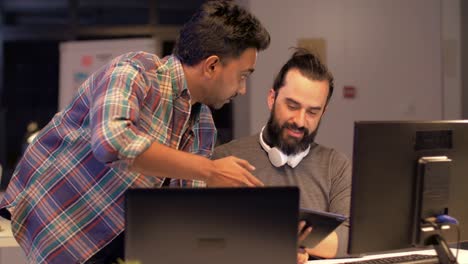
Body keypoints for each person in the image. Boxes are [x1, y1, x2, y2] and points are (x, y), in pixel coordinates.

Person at [0, 1, 270, 263]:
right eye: (243, 76)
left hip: (124, 246)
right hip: (66, 229)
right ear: (211, 66)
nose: (242, 89)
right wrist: (209, 170)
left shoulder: (203, 127)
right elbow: (112, 141)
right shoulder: (134, 70)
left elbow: (180, 213)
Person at [213, 48, 352, 260]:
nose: (300, 120)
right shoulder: (225, 158)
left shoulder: (336, 166)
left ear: (323, 113)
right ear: (272, 98)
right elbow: (211, 237)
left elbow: (350, 239)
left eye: (312, 112)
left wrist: (286, 237)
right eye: (292, 106)